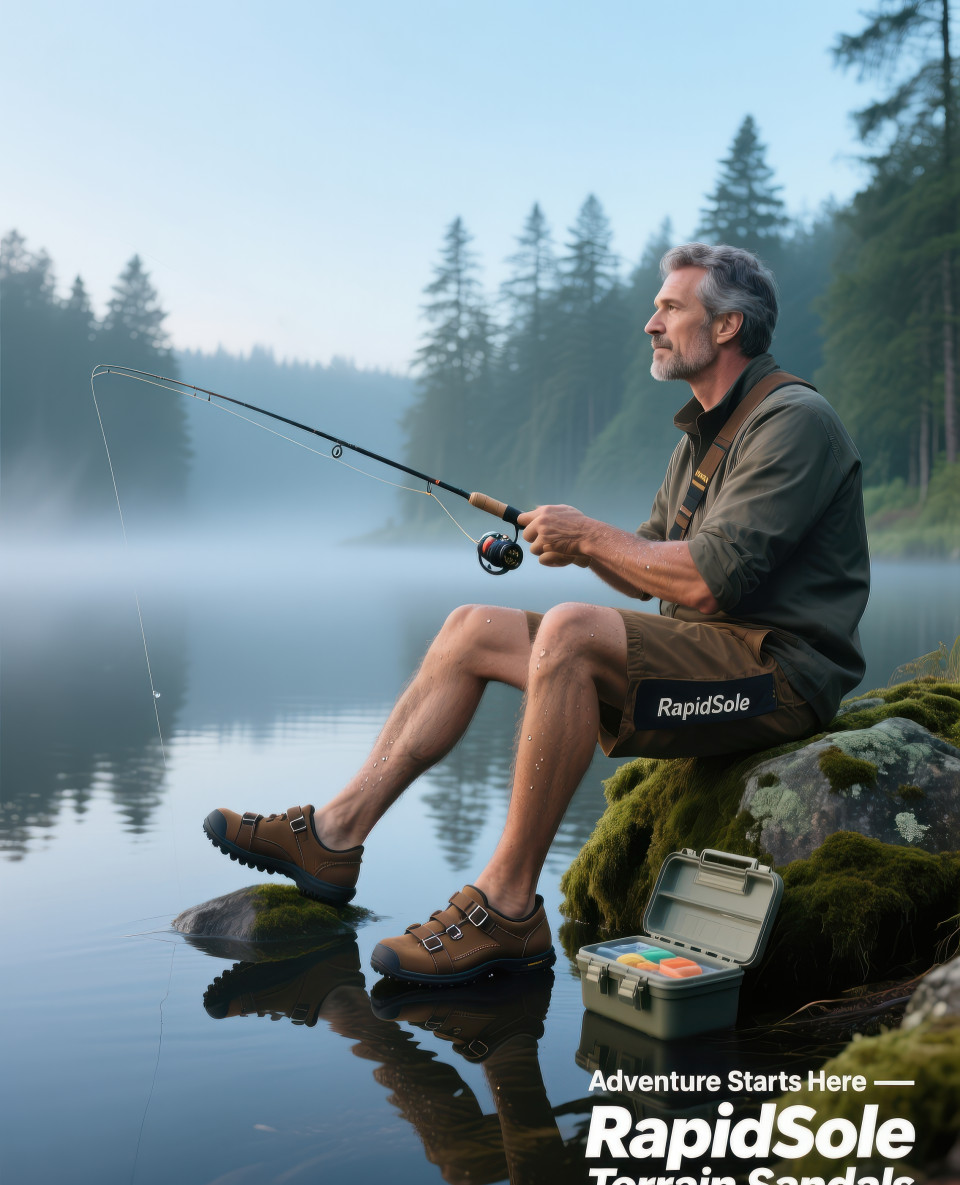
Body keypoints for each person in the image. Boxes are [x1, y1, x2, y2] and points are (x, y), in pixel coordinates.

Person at [203, 242, 870, 986]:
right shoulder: (703, 437)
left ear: (726, 327)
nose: (651, 323)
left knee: (571, 631)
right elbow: (653, 564)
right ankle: (333, 834)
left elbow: (708, 582)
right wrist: (579, 546)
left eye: (670, 307)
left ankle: (509, 907)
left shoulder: (792, 421)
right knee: (471, 628)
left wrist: (589, 535)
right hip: (708, 658)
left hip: (775, 679)